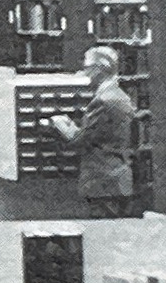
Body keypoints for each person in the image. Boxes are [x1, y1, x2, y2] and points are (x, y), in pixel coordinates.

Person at [46, 46, 137, 219]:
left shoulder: (102, 101)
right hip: (119, 178)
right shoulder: (121, 96)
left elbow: (80, 140)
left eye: (87, 68)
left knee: (101, 235)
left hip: (102, 182)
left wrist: (61, 124)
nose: (85, 73)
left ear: (99, 69)